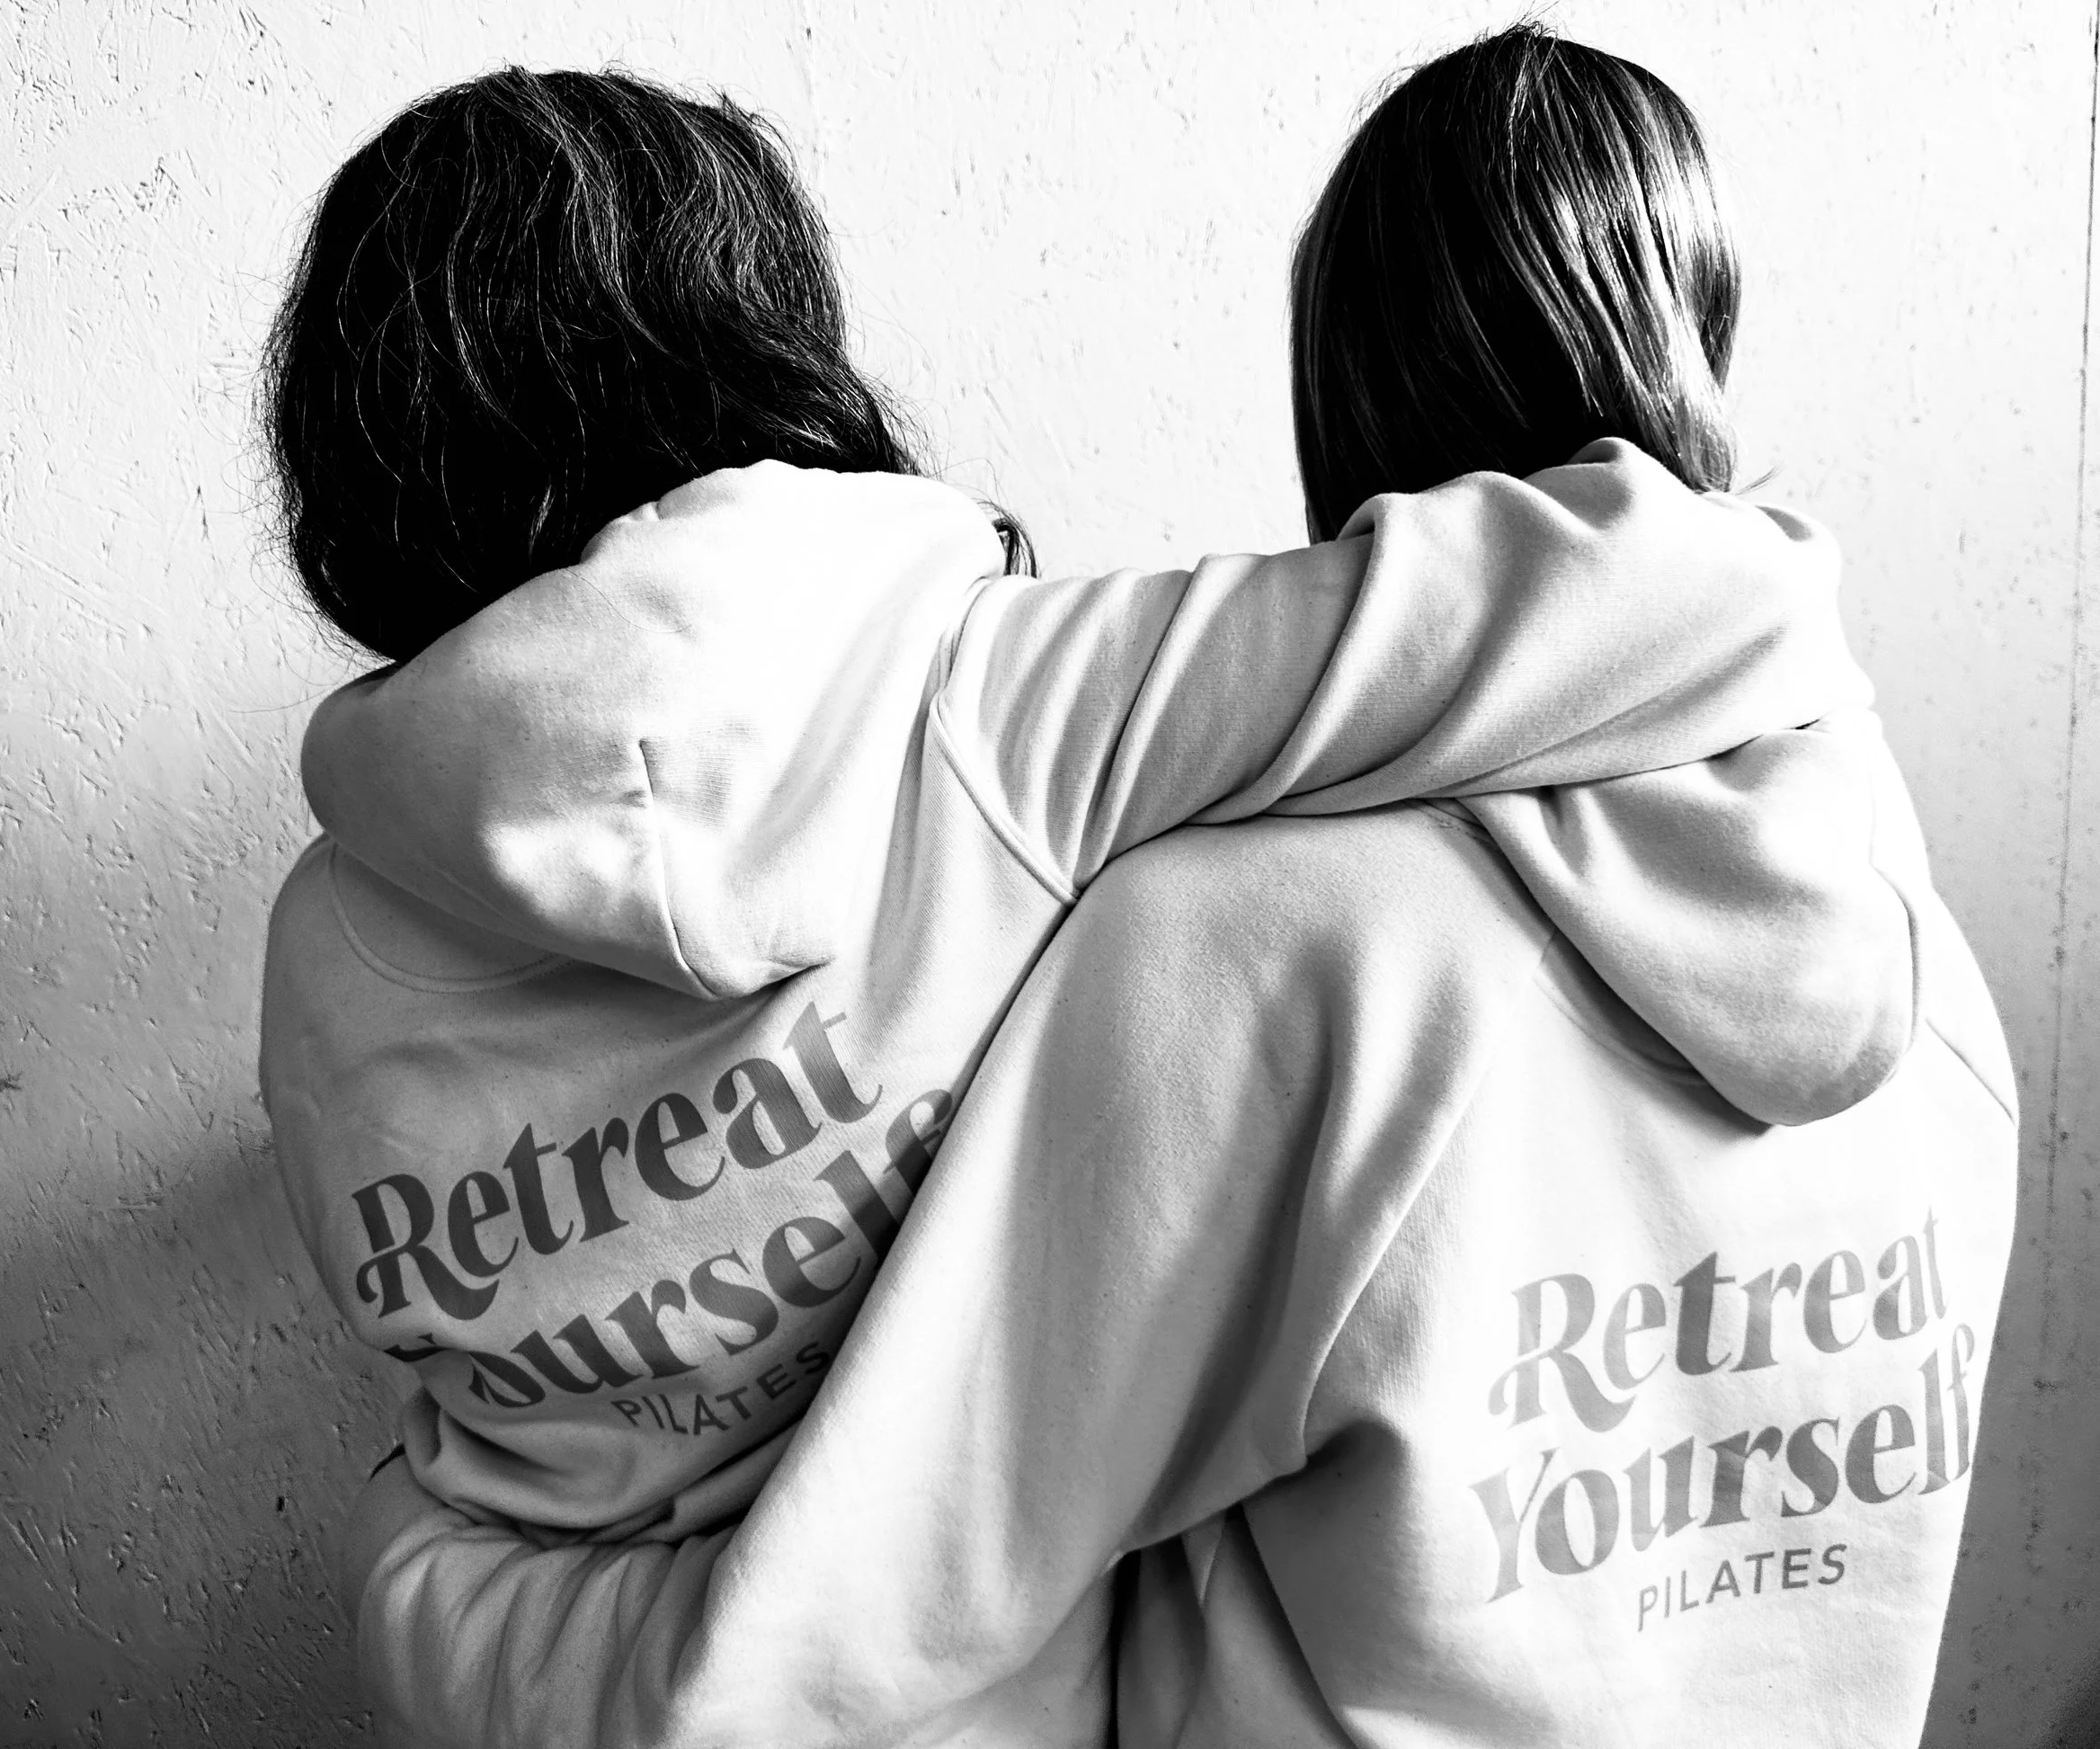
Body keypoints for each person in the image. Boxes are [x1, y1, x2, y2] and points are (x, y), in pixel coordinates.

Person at [280, 28, 1997, 1745]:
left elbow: (843, 1566)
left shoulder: (318, 955)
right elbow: (1642, 593)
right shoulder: (1941, 988)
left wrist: (437, 1601)